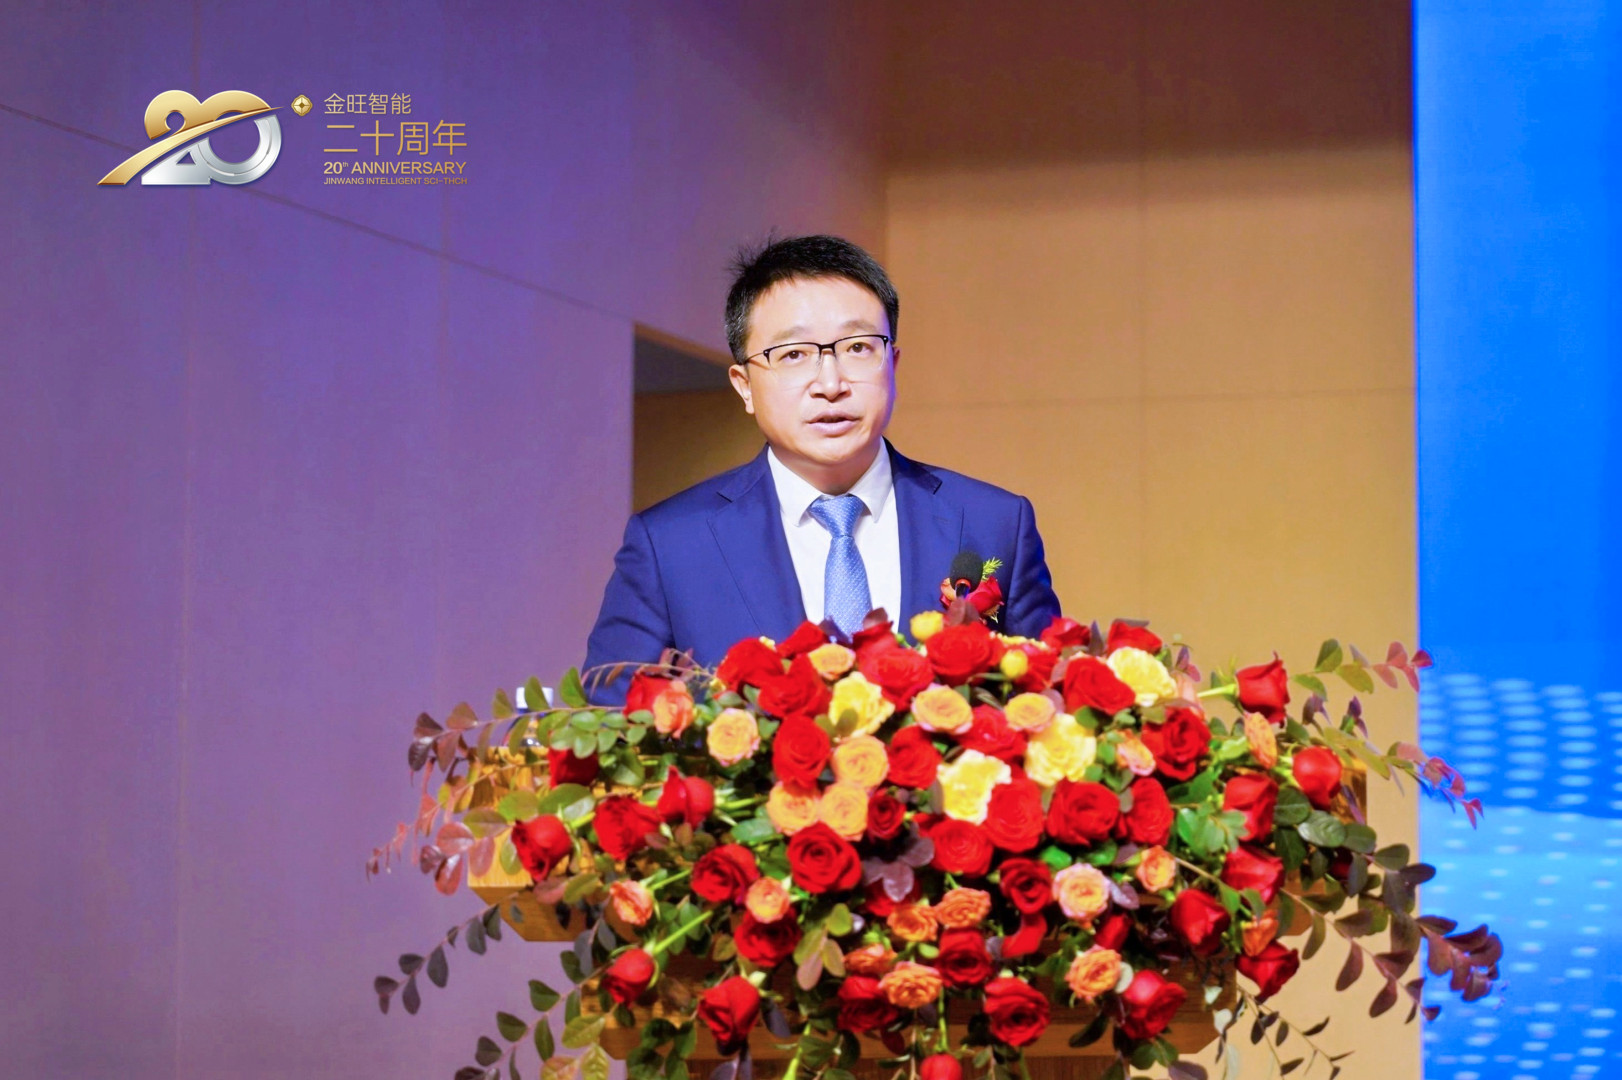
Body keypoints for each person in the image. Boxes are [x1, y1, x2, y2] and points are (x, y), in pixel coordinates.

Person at [581, 234, 1061, 703]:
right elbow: (612, 721)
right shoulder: (670, 544)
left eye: (858, 348)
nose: (831, 384)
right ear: (744, 386)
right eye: (793, 355)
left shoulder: (992, 522)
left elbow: (1048, 705)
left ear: (893, 364)